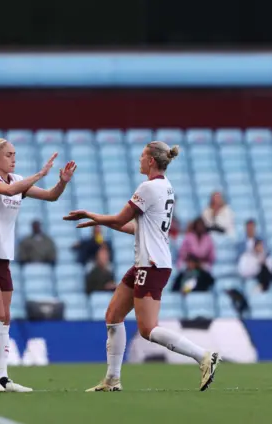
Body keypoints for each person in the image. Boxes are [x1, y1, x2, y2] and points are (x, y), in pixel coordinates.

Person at [63, 141, 220, 392]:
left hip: (153, 265)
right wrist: (99, 223)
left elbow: (120, 218)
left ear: (151, 161)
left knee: (147, 329)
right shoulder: (165, 187)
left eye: (142, 156)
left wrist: (91, 215)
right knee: (113, 315)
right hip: (145, 264)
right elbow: (133, 226)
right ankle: (112, 380)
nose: (139, 160)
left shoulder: (148, 187)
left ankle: (203, 356)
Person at [0, 133, 76, 393]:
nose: (14, 159)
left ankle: (2, 377)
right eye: (9, 155)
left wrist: (62, 182)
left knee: (5, 318)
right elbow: (11, 190)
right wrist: (40, 173)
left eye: (14, 154)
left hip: (2, 257)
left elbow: (51, 196)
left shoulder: (15, 179)